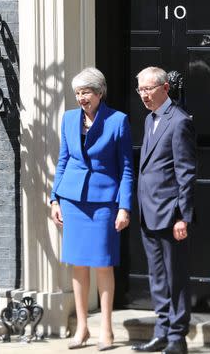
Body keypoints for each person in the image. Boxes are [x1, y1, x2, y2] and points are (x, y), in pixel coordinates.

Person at [50, 67, 134, 351]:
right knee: (78, 264)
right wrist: (54, 199)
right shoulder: (69, 119)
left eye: (85, 92)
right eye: (77, 93)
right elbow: (63, 161)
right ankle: (83, 327)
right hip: (72, 199)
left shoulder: (118, 121)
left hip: (103, 202)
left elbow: (126, 168)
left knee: (102, 263)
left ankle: (106, 329)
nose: (80, 98)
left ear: (99, 93)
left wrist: (124, 207)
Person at [131, 66, 196, 354]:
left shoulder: (179, 121)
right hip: (149, 213)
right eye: (140, 90)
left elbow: (186, 173)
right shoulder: (149, 120)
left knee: (176, 277)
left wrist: (183, 215)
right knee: (157, 278)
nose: (144, 95)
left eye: (148, 89)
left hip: (171, 216)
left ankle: (177, 338)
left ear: (165, 88)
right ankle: (162, 330)